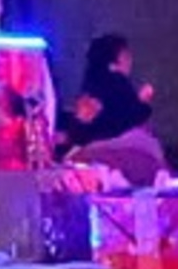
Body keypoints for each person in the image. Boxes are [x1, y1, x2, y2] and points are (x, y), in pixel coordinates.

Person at [59, 30, 169, 183]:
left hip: (88, 151)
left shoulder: (89, 86)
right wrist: (142, 102)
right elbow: (126, 118)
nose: (130, 61)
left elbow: (82, 125)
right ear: (115, 58)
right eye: (126, 55)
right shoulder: (116, 81)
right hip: (117, 150)